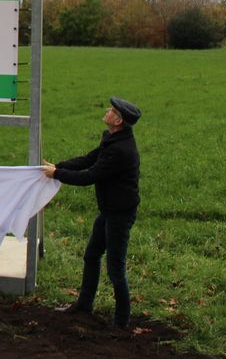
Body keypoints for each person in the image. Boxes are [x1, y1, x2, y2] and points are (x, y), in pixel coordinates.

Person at [41, 97, 141, 329]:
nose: (107, 111)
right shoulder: (112, 139)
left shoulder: (120, 150)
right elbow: (89, 159)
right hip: (109, 211)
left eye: (112, 110)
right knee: (92, 256)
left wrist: (57, 174)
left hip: (119, 215)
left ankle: (121, 322)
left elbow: (90, 176)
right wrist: (58, 165)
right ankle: (84, 304)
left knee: (115, 268)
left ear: (118, 120)